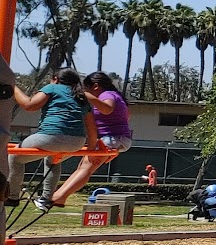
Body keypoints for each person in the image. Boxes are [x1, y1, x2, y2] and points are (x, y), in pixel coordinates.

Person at [49, 70, 132, 207]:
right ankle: (59, 196)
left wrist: (86, 96)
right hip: (117, 138)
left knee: (85, 168)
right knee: (82, 167)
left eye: (87, 89)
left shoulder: (107, 94)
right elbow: (126, 115)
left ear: (95, 86)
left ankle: (58, 196)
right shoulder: (118, 96)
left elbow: (107, 109)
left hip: (112, 138)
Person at [12, 66, 89, 210]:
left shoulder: (52, 88)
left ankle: (12, 196)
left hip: (51, 136)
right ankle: (46, 199)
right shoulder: (81, 95)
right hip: (77, 141)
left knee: (14, 158)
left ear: (56, 79)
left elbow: (29, 105)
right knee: (53, 159)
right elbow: (91, 126)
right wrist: (91, 148)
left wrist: (13, 87)